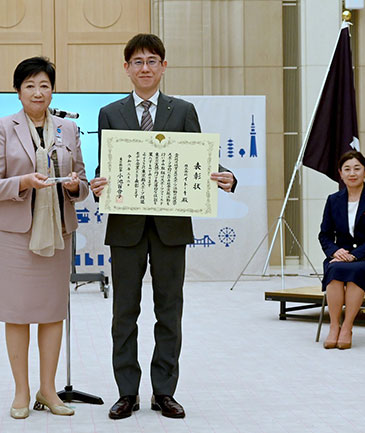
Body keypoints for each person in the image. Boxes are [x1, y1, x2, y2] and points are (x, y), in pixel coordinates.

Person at [89, 33, 237, 420]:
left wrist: (227, 177)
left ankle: (164, 392)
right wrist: (98, 182)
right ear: (126, 68)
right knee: (124, 313)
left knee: (169, 311)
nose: (145, 68)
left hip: (171, 228)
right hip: (126, 228)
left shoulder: (183, 110)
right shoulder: (110, 113)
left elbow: (204, 162)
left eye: (152, 61)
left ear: (164, 66)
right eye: (137, 62)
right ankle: (127, 393)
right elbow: (107, 165)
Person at [0, 56, 89, 419]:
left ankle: (48, 390)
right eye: (29, 86)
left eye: (44, 85)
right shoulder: (3, 127)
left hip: (57, 231)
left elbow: (84, 183)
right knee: (17, 313)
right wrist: (24, 182)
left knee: (52, 312)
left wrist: (75, 187)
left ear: (53, 89)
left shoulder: (68, 129)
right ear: (18, 91)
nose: (37, 92)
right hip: (16, 235)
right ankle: (22, 392)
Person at [319, 150, 365, 350]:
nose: (352, 173)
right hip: (340, 256)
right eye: (347, 169)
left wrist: (354, 255)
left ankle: (347, 327)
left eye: (357, 169)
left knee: (354, 271)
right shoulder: (333, 200)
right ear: (340, 173)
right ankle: (334, 326)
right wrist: (335, 252)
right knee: (334, 269)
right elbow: (324, 235)